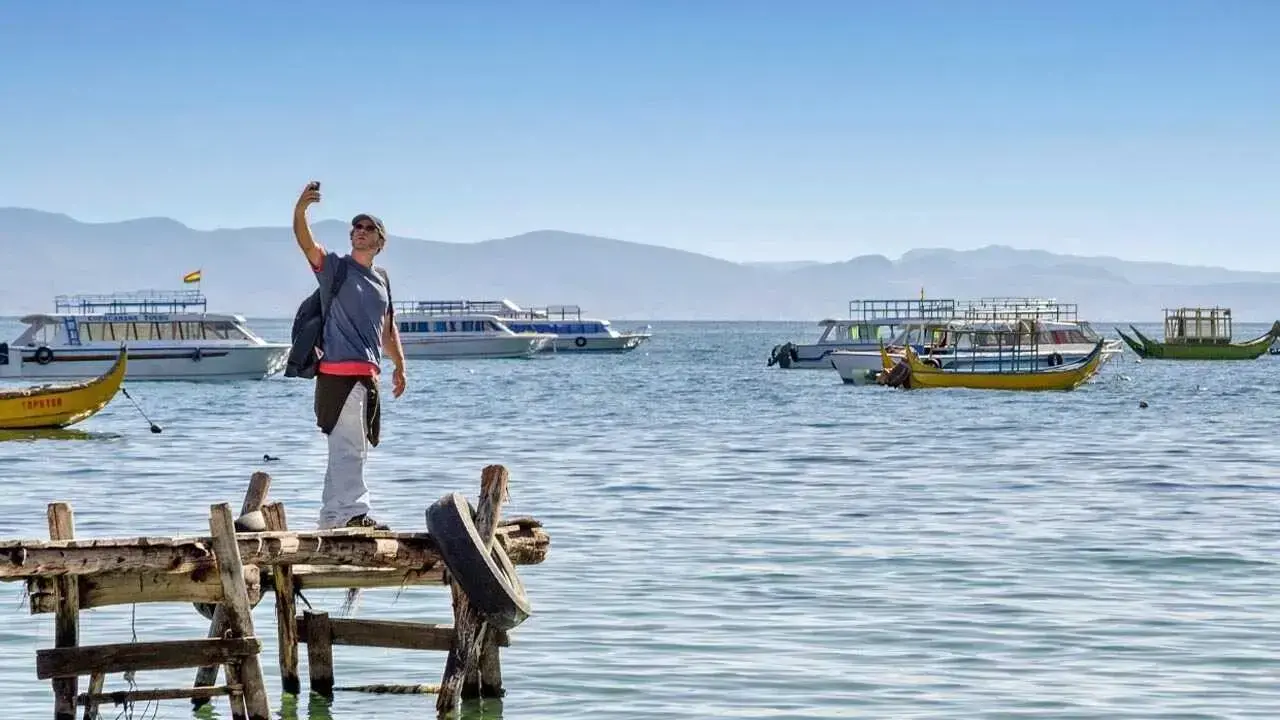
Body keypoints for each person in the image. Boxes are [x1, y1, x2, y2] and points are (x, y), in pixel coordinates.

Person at [292, 180, 407, 530]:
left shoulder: (382, 280)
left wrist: (400, 366)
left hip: (367, 374)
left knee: (347, 446)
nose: (359, 231)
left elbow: (387, 330)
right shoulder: (335, 268)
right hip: (337, 373)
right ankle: (354, 514)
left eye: (367, 227)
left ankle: (331, 518)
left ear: (380, 241)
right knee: (350, 447)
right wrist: (301, 210)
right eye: (356, 227)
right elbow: (305, 241)